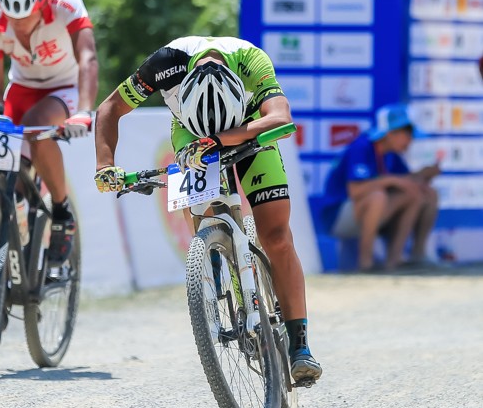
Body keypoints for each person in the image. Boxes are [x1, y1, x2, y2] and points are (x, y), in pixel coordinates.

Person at [91, 36, 322, 386]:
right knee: (205, 212)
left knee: (276, 235)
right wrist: (105, 164)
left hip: (245, 130)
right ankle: (216, 261)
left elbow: (279, 117)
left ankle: (300, 344)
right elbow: (110, 108)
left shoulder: (250, 60)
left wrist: (221, 139)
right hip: (191, 134)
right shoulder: (165, 64)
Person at [0, 0, 97, 264]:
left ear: (42, 2)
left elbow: (88, 58)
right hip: (21, 89)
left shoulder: (67, 4)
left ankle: (61, 211)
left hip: (66, 87)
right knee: (3, 176)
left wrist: (84, 110)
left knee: (35, 127)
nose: (20, 25)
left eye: (27, 16)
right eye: (12, 18)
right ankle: (1, 275)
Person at [320, 104, 440, 271]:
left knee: (421, 193)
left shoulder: (391, 153)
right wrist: (392, 180)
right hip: (337, 217)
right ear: (392, 133)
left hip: (366, 214)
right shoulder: (362, 147)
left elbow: (405, 182)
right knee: (378, 197)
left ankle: (402, 258)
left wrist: (422, 175)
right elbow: (356, 191)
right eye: (408, 134)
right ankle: (365, 263)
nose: (410, 140)